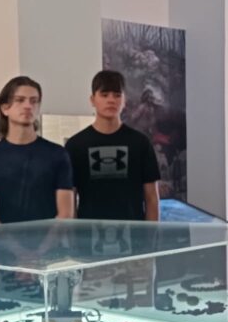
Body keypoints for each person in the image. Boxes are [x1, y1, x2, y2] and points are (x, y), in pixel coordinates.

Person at [64, 70, 160, 221]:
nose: (111, 100)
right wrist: (74, 234)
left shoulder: (140, 143)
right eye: (104, 95)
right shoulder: (75, 146)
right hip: (88, 233)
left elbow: (152, 198)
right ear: (92, 100)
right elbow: (69, 201)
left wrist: (151, 234)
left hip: (133, 233)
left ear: (124, 101)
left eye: (117, 95)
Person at [0, 76, 74, 225]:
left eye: (34, 101)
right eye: (20, 100)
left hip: (50, 239)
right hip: (3, 239)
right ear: (5, 108)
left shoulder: (58, 154)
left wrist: (45, 241)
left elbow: (65, 214)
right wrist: (13, 242)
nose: (28, 106)